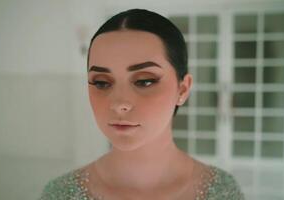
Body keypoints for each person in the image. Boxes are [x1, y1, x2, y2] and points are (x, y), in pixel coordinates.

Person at [39, 8, 245, 200]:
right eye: (101, 82)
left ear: (182, 89)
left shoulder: (222, 192)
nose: (119, 104)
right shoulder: (60, 194)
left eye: (145, 81)